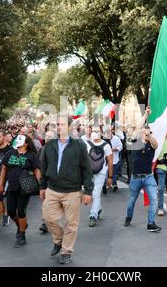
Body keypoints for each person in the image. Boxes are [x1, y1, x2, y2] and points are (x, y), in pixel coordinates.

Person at [40, 114, 94, 265]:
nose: (59, 127)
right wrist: (42, 186)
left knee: (71, 223)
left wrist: (88, 191)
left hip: (72, 191)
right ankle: (58, 241)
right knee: (48, 217)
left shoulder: (79, 145)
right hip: (52, 189)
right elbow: (44, 166)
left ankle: (66, 251)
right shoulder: (49, 145)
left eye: (62, 124)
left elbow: (86, 169)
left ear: (70, 127)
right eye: (57, 124)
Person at [0, 135, 41, 247]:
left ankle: (22, 235)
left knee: (21, 210)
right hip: (12, 186)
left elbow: (37, 170)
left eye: (21, 140)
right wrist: (1, 184)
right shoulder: (10, 153)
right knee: (11, 211)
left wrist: (41, 186)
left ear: (26, 143)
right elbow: (4, 168)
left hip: (25, 187)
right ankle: (21, 225)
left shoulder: (31, 155)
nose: (18, 142)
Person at [124, 107, 161, 232]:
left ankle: (151, 223)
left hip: (148, 177)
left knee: (154, 200)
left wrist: (149, 134)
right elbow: (137, 130)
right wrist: (145, 114)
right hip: (136, 177)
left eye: (148, 131)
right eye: (144, 131)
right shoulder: (135, 143)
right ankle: (128, 217)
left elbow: (156, 144)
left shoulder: (152, 144)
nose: (146, 132)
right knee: (132, 200)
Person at [84, 125, 113, 227]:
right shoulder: (86, 144)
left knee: (96, 193)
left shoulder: (106, 145)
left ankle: (93, 215)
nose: (95, 132)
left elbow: (110, 161)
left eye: (97, 131)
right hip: (89, 173)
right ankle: (98, 208)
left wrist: (110, 176)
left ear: (101, 132)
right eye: (94, 130)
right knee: (92, 193)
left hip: (101, 173)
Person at [38, 130, 55, 234]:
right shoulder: (42, 149)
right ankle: (45, 222)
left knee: (53, 204)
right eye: (47, 136)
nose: (48, 138)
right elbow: (37, 164)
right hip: (45, 180)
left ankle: (51, 221)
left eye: (50, 136)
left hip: (56, 181)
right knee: (45, 202)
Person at [104, 126, 122, 191]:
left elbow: (120, 147)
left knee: (113, 173)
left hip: (114, 159)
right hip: (106, 160)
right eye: (107, 132)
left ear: (111, 132)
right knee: (108, 173)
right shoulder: (104, 139)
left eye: (109, 132)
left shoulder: (116, 138)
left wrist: (115, 149)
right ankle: (109, 184)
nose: (108, 134)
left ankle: (114, 185)